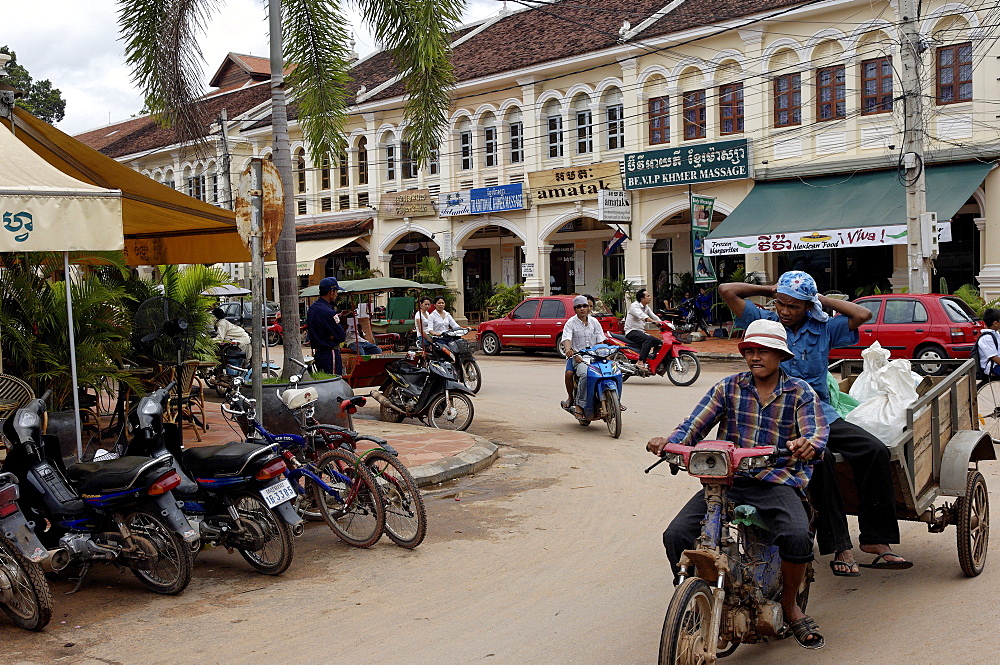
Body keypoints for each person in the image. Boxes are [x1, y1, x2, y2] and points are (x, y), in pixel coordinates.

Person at [647, 319, 827, 650]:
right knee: (676, 535)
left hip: (777, 482)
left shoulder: (800, 392)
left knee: (797, 536)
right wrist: (669, 443)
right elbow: (693, 425)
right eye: (750, 350)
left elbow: (815, 433)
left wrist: (807, 445)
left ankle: (790, 604)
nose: (755, 357)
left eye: (763, 351)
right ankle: (697, 598)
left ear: (779, 355)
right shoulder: (727, 388)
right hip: (726, 482)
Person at [720, 270, 911, 577]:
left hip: (821, 411)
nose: (785, 311)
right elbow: (727, 290)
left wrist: (816, 298)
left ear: (807, 307)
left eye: (793, 306)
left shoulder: (822, 328)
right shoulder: (765, 322)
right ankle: (839, 546)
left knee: (874, 450)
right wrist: (771, 289)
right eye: (781, 303)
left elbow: (862, 313)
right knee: (818, 460)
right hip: (778, 415)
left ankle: (876, 540)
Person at [560, 295, 607, 420]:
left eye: (584, 306)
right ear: (575, 309)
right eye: (579, 307)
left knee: (610, 371)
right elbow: (567, 339)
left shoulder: (594, 322)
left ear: (589, 308)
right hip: (577, 357)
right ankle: (578, 404)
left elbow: (600, 340)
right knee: (584, 375)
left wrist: (603, 351)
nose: (582, 309)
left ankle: (614, 400)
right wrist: (570, 351)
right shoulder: (570, 323)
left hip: (594, 357)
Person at [307, 276, 346, 374]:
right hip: (330, 353)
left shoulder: (312, 309)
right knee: (333, 382)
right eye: (336, 291)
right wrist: (332, 336)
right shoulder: (328, 312)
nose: (337, 295)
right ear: (331, 292)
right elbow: (341, 336)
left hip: (318, 353)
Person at [624, 289, 662, 371]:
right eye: (648, 296)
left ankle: (652, 360)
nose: (650, 297)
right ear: (642, 299)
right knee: (648, 339)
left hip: (640, 332)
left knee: (659, 342)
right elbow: (642, 316)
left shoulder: (646, 307)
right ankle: (640, 361)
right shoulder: (634, 306)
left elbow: (654, 316)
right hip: (631, 331)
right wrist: (654, 322)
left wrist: (663, 323)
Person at [977, 308, 1000, 377]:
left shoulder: (996, 333)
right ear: (995, 323)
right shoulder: (986, 338)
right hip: (992, 367)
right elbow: (994, 357)